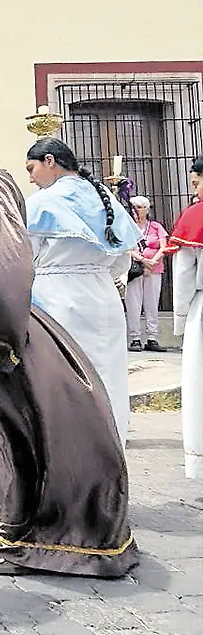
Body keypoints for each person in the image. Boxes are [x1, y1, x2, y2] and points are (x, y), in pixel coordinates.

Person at [0, 101, 137, 578]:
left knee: (12, 428)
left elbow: (6, 261)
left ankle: (12, 538)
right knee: (0, 426)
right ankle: (9, 517)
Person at [25, 137, 141, 446]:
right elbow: (121, 261)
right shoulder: (106, 198)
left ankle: (71, 455)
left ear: (50, 161)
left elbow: (24, 256)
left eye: (32, 168)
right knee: (110, 376)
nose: (30, 177)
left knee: (66, 379)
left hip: (58, 297)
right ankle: (111, 448)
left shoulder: (42, 202)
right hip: (104, 296)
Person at [168, 156, 203, 478]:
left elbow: (184, 275)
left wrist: (181, 319)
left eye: (196, 182)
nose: (194, 192)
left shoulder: (196, 216)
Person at [125, 195, 171, 352]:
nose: (136, 210)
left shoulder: (156, 226)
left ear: (146, 209)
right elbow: (127, 248)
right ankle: (135, 338)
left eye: (139, 207)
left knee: (152, 303)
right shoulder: (128, 227)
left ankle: (152, 337)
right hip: (134, 270)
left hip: (154, 269)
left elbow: (164, 246)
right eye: (134, 207)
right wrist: (143, 260)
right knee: (133, 304)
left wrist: (153, 261)